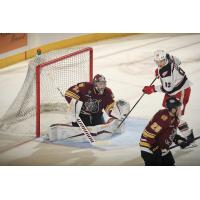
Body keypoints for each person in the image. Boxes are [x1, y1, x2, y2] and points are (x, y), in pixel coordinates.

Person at [142, 50, 195, 146]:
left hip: (181, 90)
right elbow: (178, 61)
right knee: (169, 112)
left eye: (161, 61)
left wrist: (152, 89)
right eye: (157, 62)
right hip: (175, 89)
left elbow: (168, 89)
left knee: (175, 115)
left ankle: (189, 138)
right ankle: (172, 134)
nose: (159, 64)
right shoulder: (168, 56)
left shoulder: (165, 73)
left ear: (164, 58)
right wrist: (161, 73)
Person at [140, 97, 190, 166]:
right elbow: (147, 134)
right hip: (149, 149)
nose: (180, 110)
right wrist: (155, 148)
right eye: (179, 108)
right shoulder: (163, 118)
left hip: (162, 148)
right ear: (173, 110)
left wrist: (178, 140)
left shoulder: (174, 118)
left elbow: (167, 133)